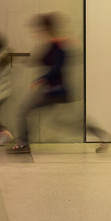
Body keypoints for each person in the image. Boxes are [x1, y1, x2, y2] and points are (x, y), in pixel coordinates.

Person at [9, 13, 70, 154]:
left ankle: (23, 144)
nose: (37, 31)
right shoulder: (52, 43)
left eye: (39, 28)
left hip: (56, 90)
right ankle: (23, 143)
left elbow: (58, 66)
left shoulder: (57, 43)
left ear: (46, 27)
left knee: (23, 112)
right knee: (68, 122)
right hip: (52, 90)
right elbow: (47, 61)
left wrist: (43, 79)